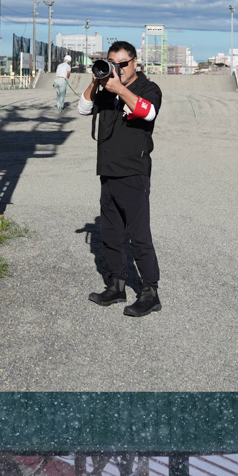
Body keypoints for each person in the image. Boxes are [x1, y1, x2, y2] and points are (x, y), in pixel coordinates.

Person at [79, 39, 164, 318]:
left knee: (138, 236)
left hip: (133, 172)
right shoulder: (105, 89)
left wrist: (118, 88)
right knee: (111, 233)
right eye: (113, 64)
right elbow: (82, 108)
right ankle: (117, 285)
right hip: (108, 171)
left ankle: (150, 292)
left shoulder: (148, 88)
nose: (119, 69)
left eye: (123, 64)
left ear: (135, 62)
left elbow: (147, 112)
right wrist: (97, 82)